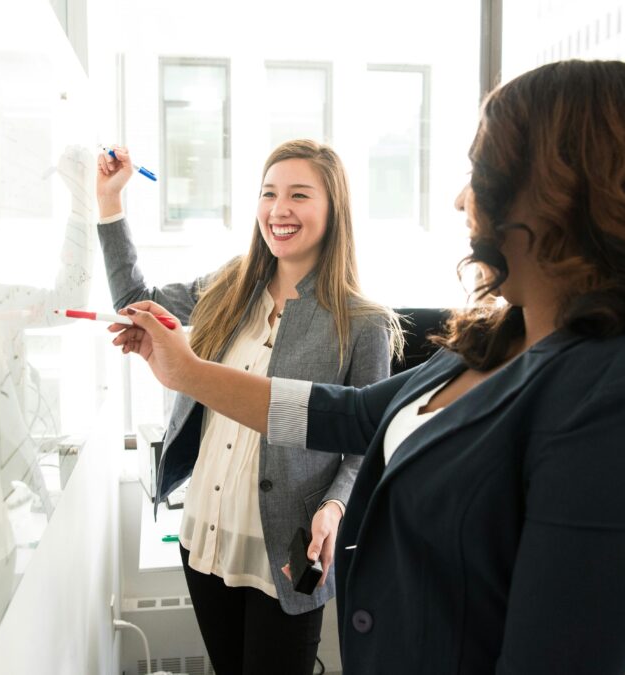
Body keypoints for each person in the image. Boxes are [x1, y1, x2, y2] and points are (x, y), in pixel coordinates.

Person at [108, 60, 625, 674]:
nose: (461, 199)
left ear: (555, 188)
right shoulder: (493, 341)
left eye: (479, 169)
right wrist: (187, 372)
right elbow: (353, 414)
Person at [96, 139, 401, 675]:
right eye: (269, 193)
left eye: (299, 195)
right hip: (205, 535)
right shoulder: (228, 286)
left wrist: (335, 508)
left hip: (286, 549)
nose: (279, 209)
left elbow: (366, 444)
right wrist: (109, 202)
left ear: (334, 210)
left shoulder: (363, 323)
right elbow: (134, 302)